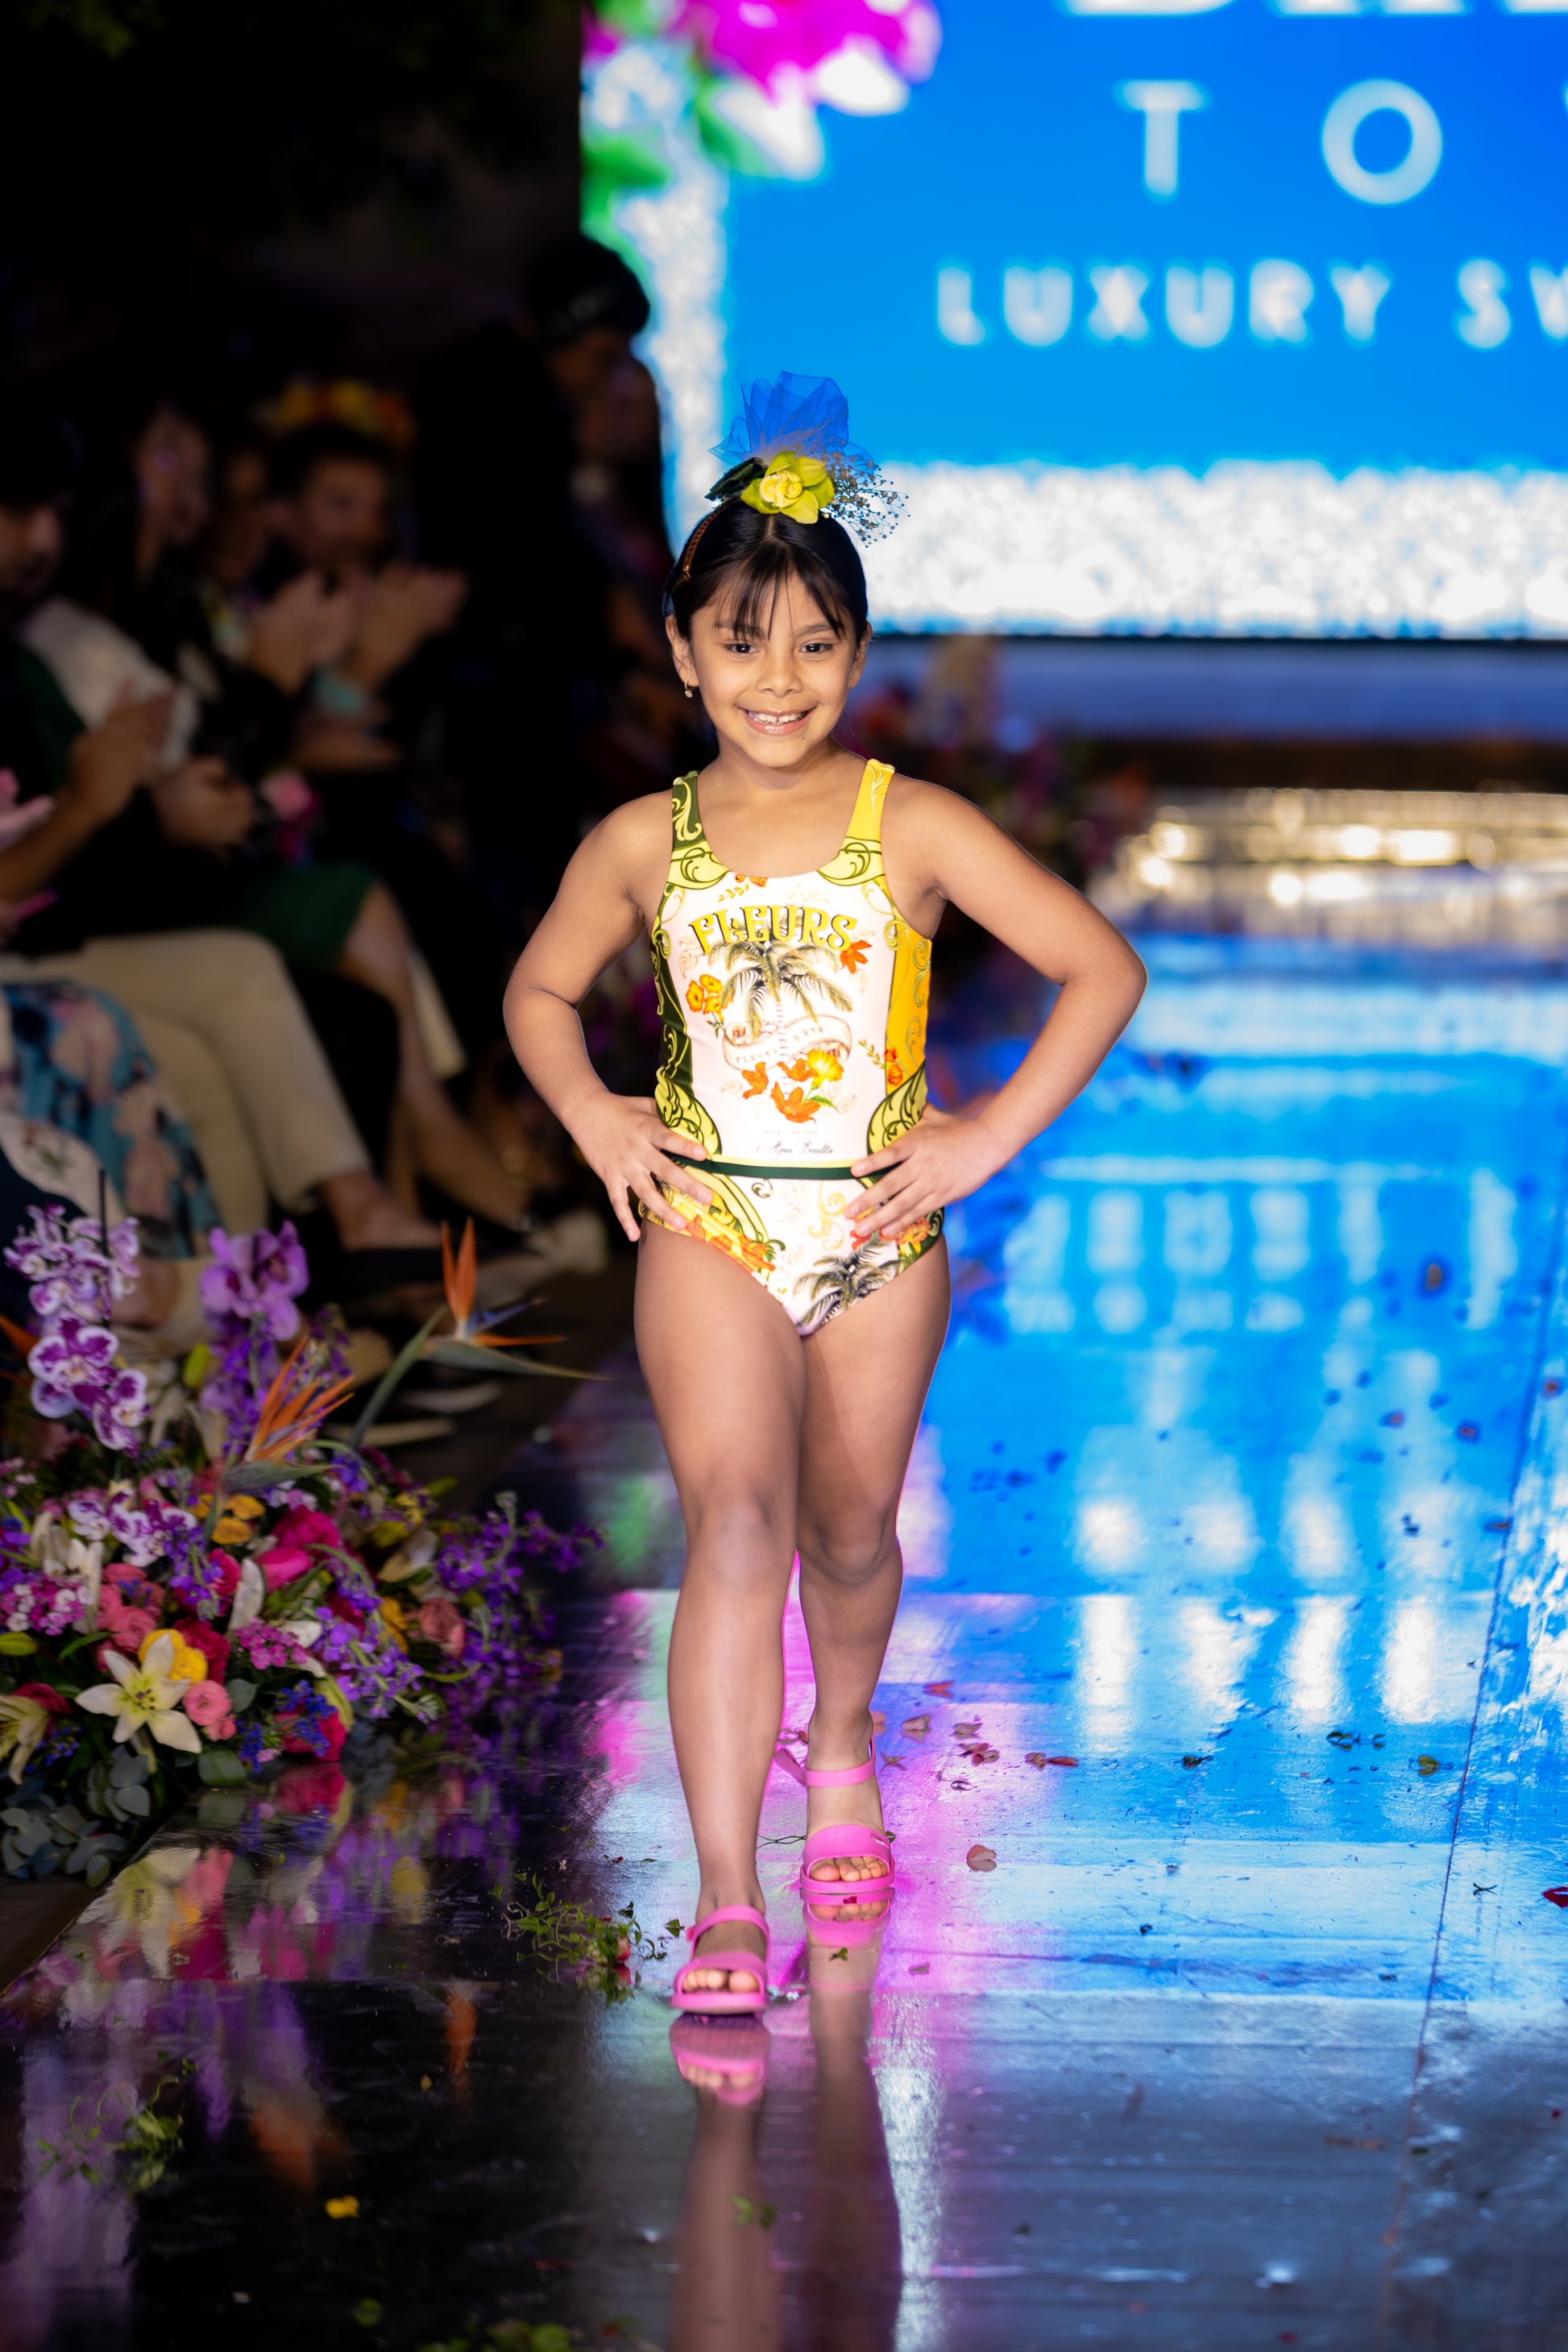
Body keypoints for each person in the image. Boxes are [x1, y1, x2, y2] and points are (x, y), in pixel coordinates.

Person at [504, 375, 1147, 2011]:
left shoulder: (910, 823)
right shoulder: (642, 839)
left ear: (855, 659)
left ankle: (843, 1740)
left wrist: (980, 1140)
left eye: (811, 644)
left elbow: (1097, 966)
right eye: (740, 641)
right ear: (681, 651)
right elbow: (537, 991)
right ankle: (727, 1897)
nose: (775, 677)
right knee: (732, 1520)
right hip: (708, 1222)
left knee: (849, 1536)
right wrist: (589, 1113)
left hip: (875, 1236)